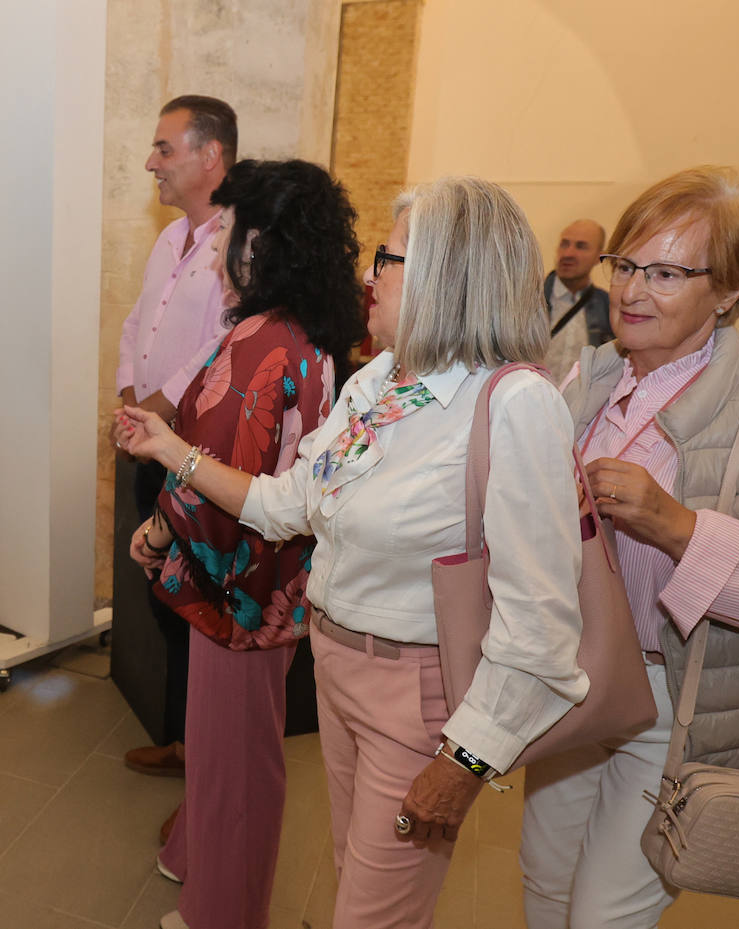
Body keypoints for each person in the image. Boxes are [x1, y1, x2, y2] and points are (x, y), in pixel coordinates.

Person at [118, 176, 589, 929]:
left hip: (417, 696)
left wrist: (466, 760)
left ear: (448, 276)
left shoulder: (515, 404)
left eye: (388, 258)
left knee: (375, 915)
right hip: (338, 669)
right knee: (359, 882)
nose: (368, 275)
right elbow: (290, 503)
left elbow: (542, 621)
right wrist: (174, 452)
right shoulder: (379, 380)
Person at [522, 166, 739, 929]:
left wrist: (679, 527)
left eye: (669, 272)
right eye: (629, 265)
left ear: (734, 288)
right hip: (571, 679)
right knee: (544, 883)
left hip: (673, 703)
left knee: (602, 915)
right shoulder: (590, 375)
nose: (634, 291)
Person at [123, 158, 364, 929]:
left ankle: (222, 912)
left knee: (238, 767)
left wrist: (157, 527)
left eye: (226, 229)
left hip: (242, 586)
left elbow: (217, 474)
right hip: (275, 579)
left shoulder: (259, 344)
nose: (217, 243)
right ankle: (194, 856)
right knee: (231, 747)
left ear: (259, 244)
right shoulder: (305, 337)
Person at [116, 95, 237, 780]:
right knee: (165, 599)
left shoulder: (240, 243)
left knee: (203, 611)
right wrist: (131, 401)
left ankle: (209, 772)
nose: (149, 162)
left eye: (164, 149)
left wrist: (155, 411)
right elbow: (138, 325)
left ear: (209, 155)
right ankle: (190, 750)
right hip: (152, 447)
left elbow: (225, 343)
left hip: (200, 462)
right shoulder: (169, 239)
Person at [543, 219, 612, 382]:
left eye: (581, 246)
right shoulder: (528, 299)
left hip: (579, 406)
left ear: (599, 257)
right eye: (564, 244)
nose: (568, 254)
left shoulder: (608, 307)